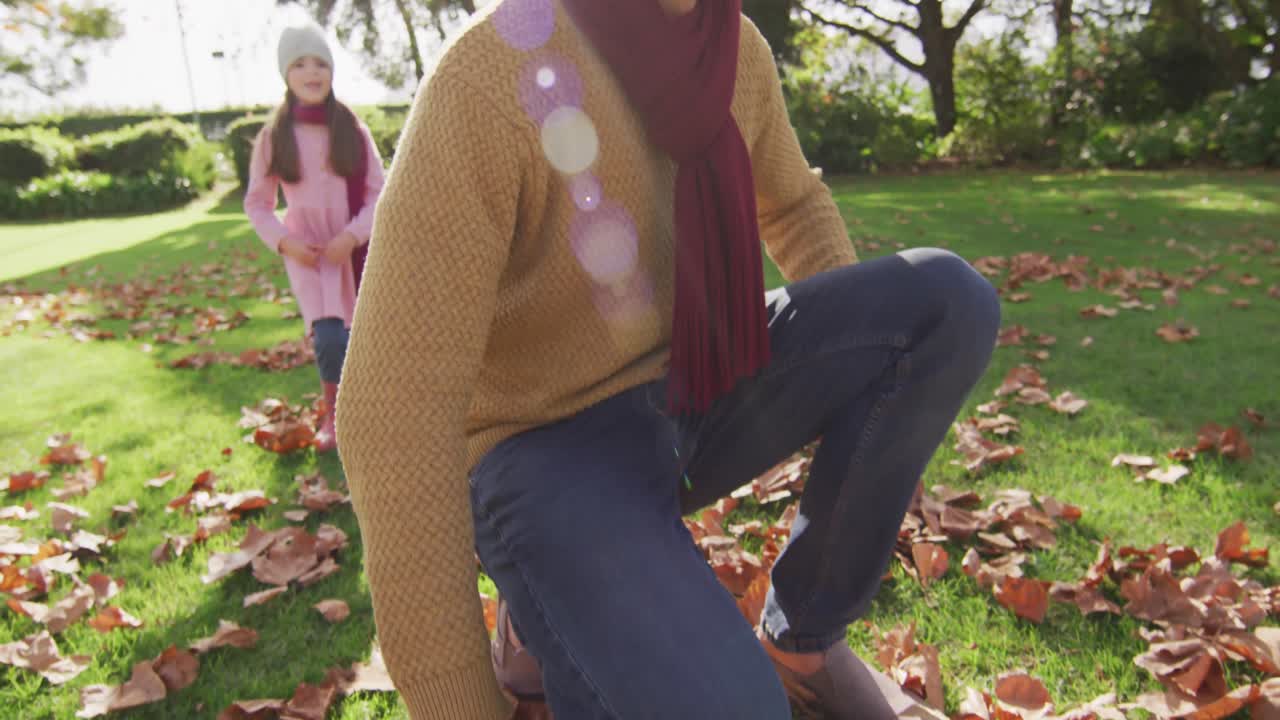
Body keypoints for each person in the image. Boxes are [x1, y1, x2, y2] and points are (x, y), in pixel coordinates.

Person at [336, 0, 999, 717]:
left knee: (945, 302)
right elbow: (395, 408)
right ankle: (545, 601)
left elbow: (796, 206)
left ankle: (801, 640)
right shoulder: (494, 70)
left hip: (692, 383)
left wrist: (859, 403)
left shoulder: (732, 46)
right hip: (541, 444)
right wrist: (459, 705)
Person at [244, 21, 385, 453]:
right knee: (328, 339)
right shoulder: (274, 136)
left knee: (366, 335)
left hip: (353, 249)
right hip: (309, 255)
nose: (312, 71)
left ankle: (375, 409)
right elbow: (258, 204)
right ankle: (335, 417)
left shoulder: (352, 130)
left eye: (320, 63)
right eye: (300, 64)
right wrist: (286, 242)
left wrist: (353, 235)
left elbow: (379, 194)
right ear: (286, 74)